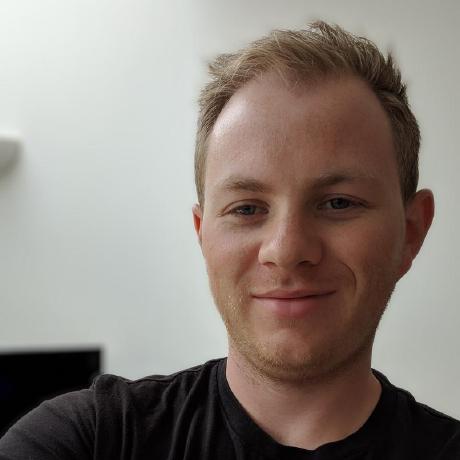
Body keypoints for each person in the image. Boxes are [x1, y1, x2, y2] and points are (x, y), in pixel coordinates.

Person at [1, 20, 459, 460]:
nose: (286, 250)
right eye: (247, 209)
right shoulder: (89, 439)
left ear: (411, 231)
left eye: (338, 203)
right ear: (202, 234)